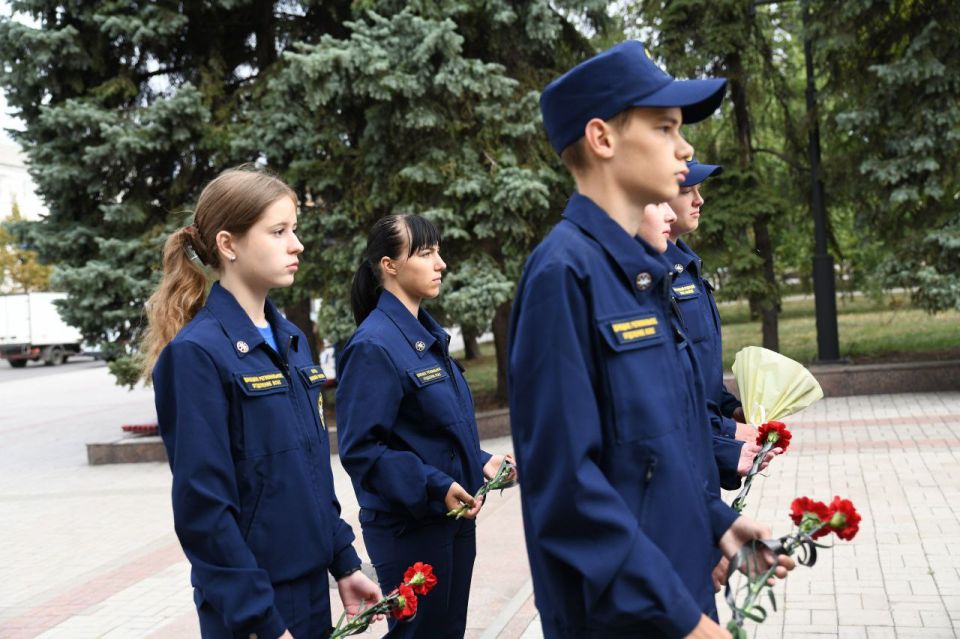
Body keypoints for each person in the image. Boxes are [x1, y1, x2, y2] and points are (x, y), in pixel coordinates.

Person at [508, 41, 793, 639]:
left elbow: (659, 447)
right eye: (665, 128)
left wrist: (719, 523)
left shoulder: (642, 273)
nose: (685, 148)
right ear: (602, 139)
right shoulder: (565, 274)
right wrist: (681, 618)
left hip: (675, 586)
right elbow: (566, 488)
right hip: (624, 615)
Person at [144, 166, 381, 639]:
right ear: (229, 245)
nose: (297, 245)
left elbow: (310, 471)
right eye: (278, 232)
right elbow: (204, 511)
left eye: (294, 230)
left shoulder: (291, 340)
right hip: (254, 605)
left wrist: (344, 562)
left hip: (310, 589)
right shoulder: (195, 355)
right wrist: (259, 620)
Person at [335, 214, 515, 638]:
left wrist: (482, 461)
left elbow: (430, 431)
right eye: (426, 253)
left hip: (448, 521)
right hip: (409, 530)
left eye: (438, 252)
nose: (441, 264)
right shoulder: (373, 345)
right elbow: (363, 450)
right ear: (389, 265)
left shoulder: (424, 336)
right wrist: (435, 485)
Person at [664, 160, 775, 490]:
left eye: (699, 190)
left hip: (706, 450)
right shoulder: (652, 278)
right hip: (682, 458)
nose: (699, 200)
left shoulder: (688, 267)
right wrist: (725, 434)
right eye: (687, 192)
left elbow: (700, 373)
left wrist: (734, 411)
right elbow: (667, 392)